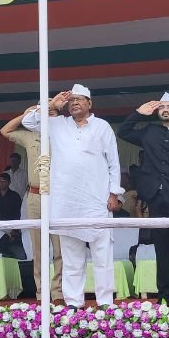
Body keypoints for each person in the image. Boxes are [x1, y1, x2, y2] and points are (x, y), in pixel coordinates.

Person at [41, 85, 122, 308]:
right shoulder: (57, 124)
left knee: (102, 257)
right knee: (72, 259)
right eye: (72, 100)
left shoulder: (102, 127)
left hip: (97, 201)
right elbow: (30, 122)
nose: (75, 102)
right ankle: (74, 303)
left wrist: (114, 192)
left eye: (80, 99)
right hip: (67, 203)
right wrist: (50, 105)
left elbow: (113, 162)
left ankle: (105, 303)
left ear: (90, 104)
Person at [117, 92, 169, 303]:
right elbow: (123, 132)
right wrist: (138, 113)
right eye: (162, 107)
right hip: (156, 198)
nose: (166, 110)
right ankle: (164, 295)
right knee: (161, 249)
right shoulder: (149, 132)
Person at [0, 105, 63, 302]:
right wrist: (25, 113)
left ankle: (58, 292)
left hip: (58, 196)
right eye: (45, 112)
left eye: (52, 112)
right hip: (35, 197)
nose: (48, 116)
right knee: (39, 248)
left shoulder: (65, 136)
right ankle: (41, 293)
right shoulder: (31, 135)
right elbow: (5, 131)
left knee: (60, 249)